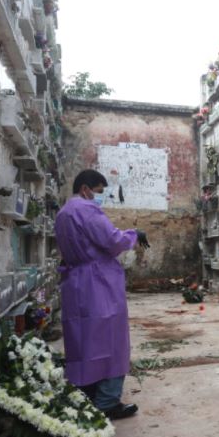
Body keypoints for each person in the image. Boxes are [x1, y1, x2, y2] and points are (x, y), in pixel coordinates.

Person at [55, 169, 150, 420]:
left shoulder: (63, 213)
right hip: (98, 282)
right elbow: (112, 240)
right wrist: (133, 234)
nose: (100, 197)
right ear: (85, 189)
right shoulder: (87, 209)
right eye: (98, 192)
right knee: (111, 340)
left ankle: (84, 394)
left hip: (74, 281)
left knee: (83, 340)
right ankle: (107, 401)